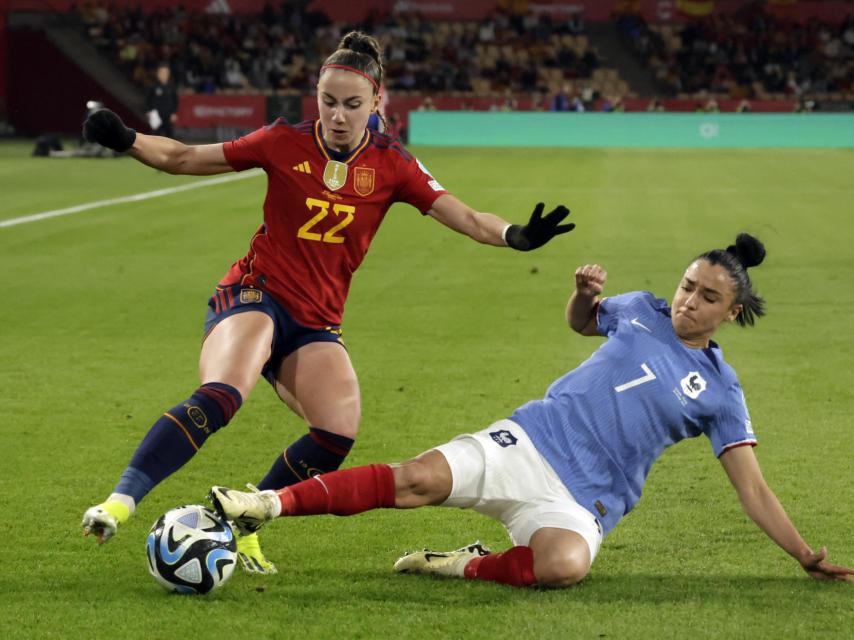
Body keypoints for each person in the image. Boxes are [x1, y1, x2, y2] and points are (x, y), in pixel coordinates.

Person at [79, 31, 575, 575]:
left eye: (353, 105)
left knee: (337, 430)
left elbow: (471, 218)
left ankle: (242, 525)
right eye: (328, 101)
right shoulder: (281, 141)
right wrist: (126, 139)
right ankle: (119, 503)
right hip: (254, 295)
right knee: (224, 392)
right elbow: (182, 156)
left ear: (378, 102)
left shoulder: (393, 165)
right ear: (316, 97)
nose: (338, 116)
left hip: (315, 323)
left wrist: (516, 236)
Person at [210, 234, 854, 587]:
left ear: (732, 313)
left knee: (564, 567)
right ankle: (264, 505)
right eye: (687, 285)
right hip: (530, 439)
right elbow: (582, 325)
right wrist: (581, 296)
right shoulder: (640, 309)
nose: (688, 301)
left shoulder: (721, 391)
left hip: (587, 501)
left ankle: (461, 563)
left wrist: (802, 554)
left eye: (707, 297)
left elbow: (754, 488)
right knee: (416, 480)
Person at [144, 62, 179, 138]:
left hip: (168, 116)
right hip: (156, 116)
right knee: (156, 137)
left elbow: (175, 101)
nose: (164, 74)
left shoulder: (171, 87)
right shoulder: (153, 86)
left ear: (168, 74)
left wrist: (174, 113)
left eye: (166, 73)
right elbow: (147, 101)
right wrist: (148, 112)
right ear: (158, 74)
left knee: (170, 137)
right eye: (162, 72)